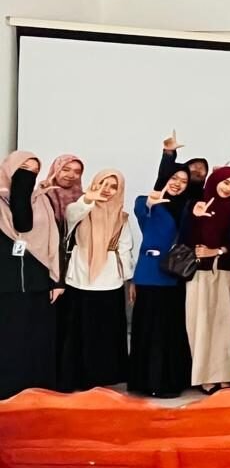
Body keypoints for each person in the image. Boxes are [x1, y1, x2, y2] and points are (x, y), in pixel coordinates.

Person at [59, 169, 140, 391]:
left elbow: (125, 250)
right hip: (79, 280)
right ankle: (76, 378)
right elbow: (71, 215)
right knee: (78, 333)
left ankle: (101, 379)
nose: (107, 189)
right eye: (104, 183)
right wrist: (88, 199)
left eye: (113, 186)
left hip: (109, 282)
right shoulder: (81, 209)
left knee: (104, 335)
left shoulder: (121, 217)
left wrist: (129, 280)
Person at [0, 151, 61, 399]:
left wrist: (56, 280)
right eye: (24, 167)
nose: (29, 174)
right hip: (5, 283)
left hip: (38, 280)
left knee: (35, 337)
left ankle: (35, 389)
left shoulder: (41, 201)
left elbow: (52, 240)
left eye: (35, 170)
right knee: (8, 336)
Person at [182, 166, 230, 393]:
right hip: (199, 273)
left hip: (227, 272)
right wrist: (193, 217)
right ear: (215, 180)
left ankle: (226, 374)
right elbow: (183, 239)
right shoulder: (196, 204)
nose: (229, 188)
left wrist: (218, 250)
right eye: (226, 182)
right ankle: (204, 376)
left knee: (225, 325)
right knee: (199, 324)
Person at [129, 166, 193, 398]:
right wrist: (168, 156)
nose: (178, 183)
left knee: (170, 331)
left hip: (175, 275)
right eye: (174, 177)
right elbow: (143, 208)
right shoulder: (146, 203)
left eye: (184, 181)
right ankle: (146, 381)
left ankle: (168, 381)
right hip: (149, 275)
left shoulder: (187, 208)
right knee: (148, 329)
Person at [38, 153, 83, 235]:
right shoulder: (40, 196)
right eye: (65, 170)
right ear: (55, 170)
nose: (71, 175)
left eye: (77, 172)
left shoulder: (84, 200)